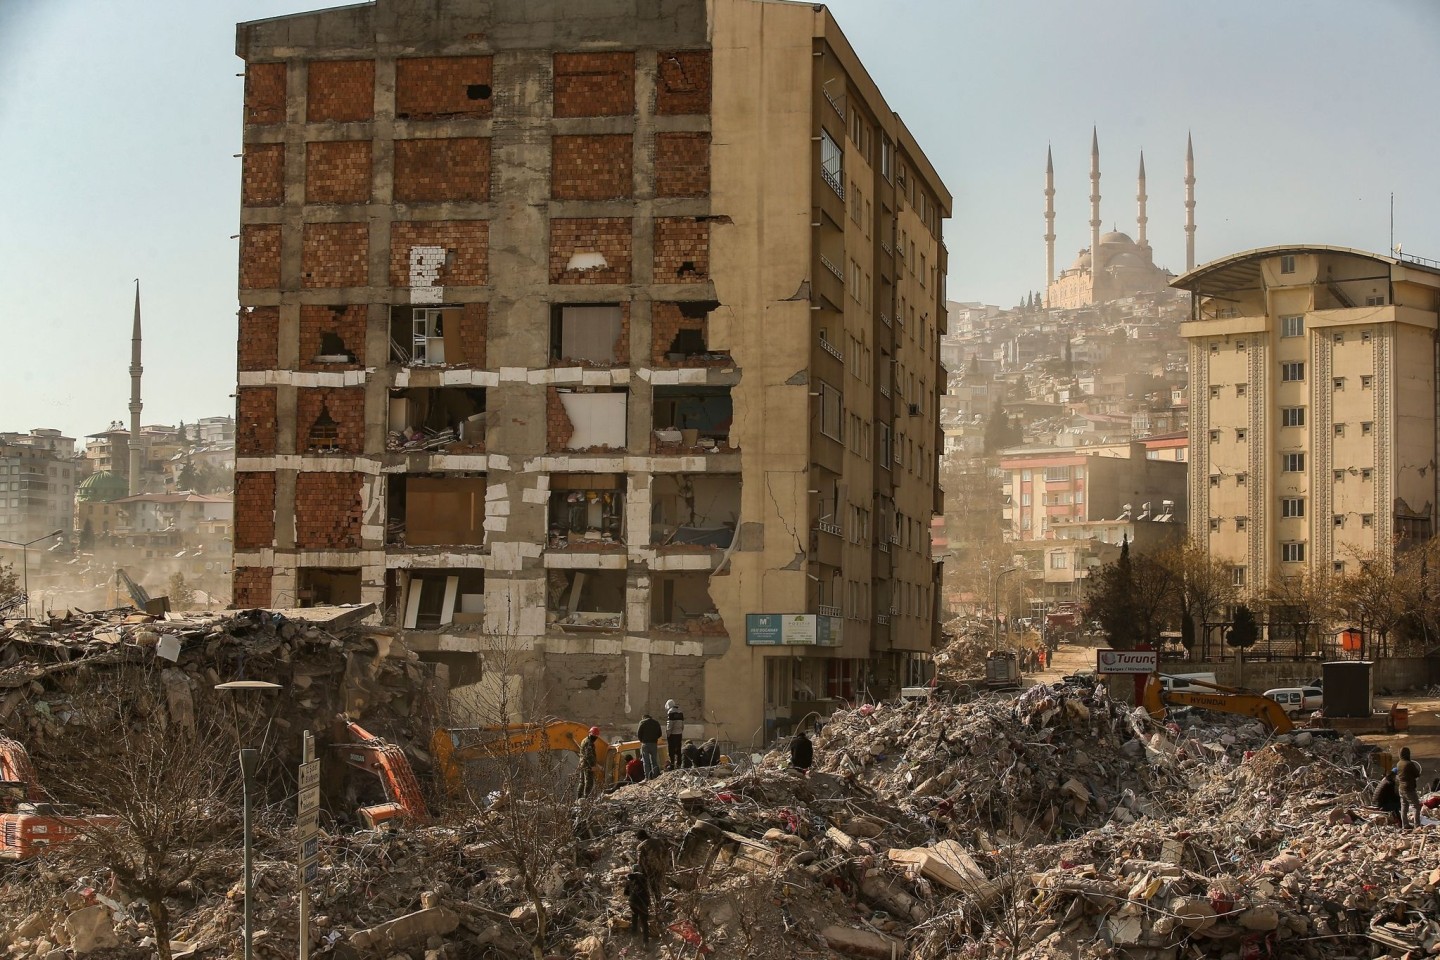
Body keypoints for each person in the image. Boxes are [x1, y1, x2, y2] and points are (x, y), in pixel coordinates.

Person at [636, 829, 668, 906]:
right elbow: (666, 852)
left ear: (640, 837)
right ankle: (659, 901)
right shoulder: (659, 841)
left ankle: (657, 903)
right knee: (658, 884)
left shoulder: (641, 846)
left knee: (652, 886)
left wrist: (640, 872)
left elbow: (640, 861)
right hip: (661, 867)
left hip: (650, 869)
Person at [1397, 747, 1424, 830]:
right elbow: (1416, 774)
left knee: (1404, 806)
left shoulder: (1399, 763)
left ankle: (1405, 825)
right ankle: (1417, 826)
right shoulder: (1409, 764)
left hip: (1401, 788)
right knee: (1416, 806)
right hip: (1409, 788)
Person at [623, 869, 651, 944]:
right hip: (642, 903)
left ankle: (634, 934)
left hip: (632, 902)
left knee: (634, 916)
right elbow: (648, 893)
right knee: (644, 922)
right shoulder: (644, 879)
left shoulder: (630, 880)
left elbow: (626, 893)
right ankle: (646, 943)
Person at [637, 712, 663, 779]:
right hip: (654, 743)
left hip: (645, 744)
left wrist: (642, 741)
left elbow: (639, 734)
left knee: (646, 761)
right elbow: (660, 733)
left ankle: (647, 777)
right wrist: (654, 739)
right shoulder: (656, 723)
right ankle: (655, 776)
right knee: (654, 760)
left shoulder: (642, 722)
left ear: (644, 717)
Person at [578, 726, 600, 798]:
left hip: (582, 764)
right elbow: (589, 755)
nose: (595, 737)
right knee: (589, 782)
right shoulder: (588, 743)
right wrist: (593, 765)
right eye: (594, 736)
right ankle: (586, 798)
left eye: (596, 736)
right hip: (587, 765)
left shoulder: (585, 740)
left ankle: (579, 798)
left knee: (582, 782)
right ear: (590, 734)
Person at [664, 700, 685, 770]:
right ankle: (679, 765)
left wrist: (668, 733)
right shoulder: (680, 712)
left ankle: (672, 765)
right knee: (678, 750)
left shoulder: (670, 712)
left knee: (671, 751)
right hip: (679, 734)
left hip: (672, 735)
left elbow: (669, 724)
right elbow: (682, 725)